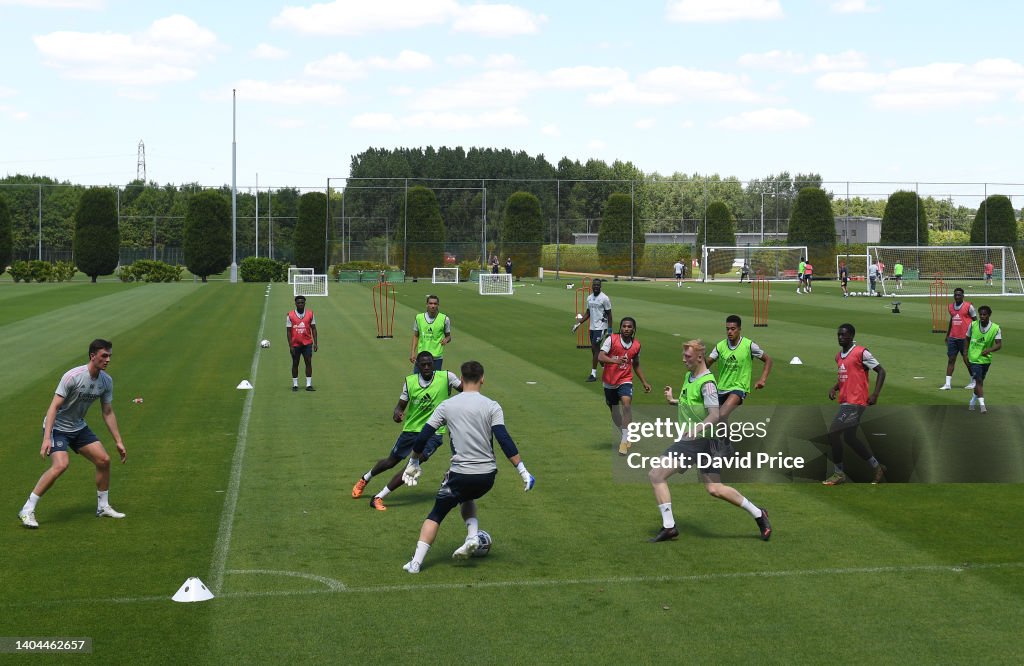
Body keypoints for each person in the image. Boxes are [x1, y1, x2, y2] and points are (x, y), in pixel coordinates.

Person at [400, 361, 535, 573]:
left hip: (460, 474)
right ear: (482, 379)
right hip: (487, 477)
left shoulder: (446, 406)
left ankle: (416, 563)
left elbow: (424, 436)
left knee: (436, 514)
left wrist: (414, 461)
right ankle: (472, 536)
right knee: (467, 496)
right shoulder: (492, 406)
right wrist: (523, 471)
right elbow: (504, 439)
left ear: (461, 380)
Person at [648, 340, 771, 543]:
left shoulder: (707, 383)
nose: (683, 359)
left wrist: (696, 429)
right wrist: (674, 400)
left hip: (701, 440)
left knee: (656, 474)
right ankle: (759, 513)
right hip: (700, 441)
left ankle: (669, 527)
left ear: (699, 357)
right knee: (714, 488)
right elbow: (694, 403)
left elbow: (714, 414)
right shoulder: (691, 376)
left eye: (687, 356)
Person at [18, 339, 127, 529]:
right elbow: (53, 407)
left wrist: (118, 441)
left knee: (104, 460)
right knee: (61, 465)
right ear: (92, 356)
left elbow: (107, 411)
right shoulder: (73, 376)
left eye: (109, 356)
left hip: (78, 427)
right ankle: (27, 509)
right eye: (104, 356)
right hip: (57, 428)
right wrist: (46, 438)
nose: (108, 359)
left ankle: (103, 507)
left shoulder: (106, 381)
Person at [352, 352, 463, 510]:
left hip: (434, 433)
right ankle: (365, 478)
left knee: (414, 464)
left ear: (434, 364)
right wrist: (397, 414)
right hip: (411, 430)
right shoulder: (410, 382)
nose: (426, 367)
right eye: (423, 364)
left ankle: (378, 497)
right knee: (390, 462)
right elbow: (400, 407)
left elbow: (466, 391)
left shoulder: (447, 377)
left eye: (429, 364)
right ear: (417, 365)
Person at [823, 324, 887, 485]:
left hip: (856, 402)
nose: (840, 337)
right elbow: (846, 376)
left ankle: (839, 473)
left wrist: (875, 394)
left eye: (843, 335)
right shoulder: (839, 356)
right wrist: (834, 387)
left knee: (833, 433)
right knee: (850, 438)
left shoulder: (861, 352)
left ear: (851, 336)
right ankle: (877, 467)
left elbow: (881, 371)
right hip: (846, 401)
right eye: (838, 335)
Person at [597, 317, 652, 456]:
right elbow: (600, 356)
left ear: (634, 329)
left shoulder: (636, 345)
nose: (626, 329)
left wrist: (644, 382)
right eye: (624, 326)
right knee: (615, 412)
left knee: (627, 405)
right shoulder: (612, 339)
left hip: (625, 379)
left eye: (629, 327)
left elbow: (636, 364)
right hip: (609, 381)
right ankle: (625, 434)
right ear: (620, 328)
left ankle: (623, 441)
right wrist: (614, 360)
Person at [707, 315, 773, 425]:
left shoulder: (749, 345)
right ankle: (726, 441)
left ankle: (725, 441)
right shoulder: (720, 346)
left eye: (733, 329)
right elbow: (707, 363)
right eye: (727, 329)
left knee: (722, 414)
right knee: (718, 419)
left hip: (739, 388)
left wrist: (762, 380)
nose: (729, 332)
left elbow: (768, 360)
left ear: (739, 329)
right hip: (722, 388)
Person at [572, 278, 612, 382]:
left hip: (602, 327)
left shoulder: (605, 298)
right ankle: (606, 369)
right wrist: (578, 323)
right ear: (592, 286)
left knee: (595, 348)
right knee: (594, 350)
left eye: (598, 285)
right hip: (592, 327)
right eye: (594, 285)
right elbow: (588, 312)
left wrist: (610, 330)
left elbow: (609, 314)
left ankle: (593, 374)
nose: (596, 287)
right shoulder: (589, 298)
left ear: (600, 286)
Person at [939, 287, 976, 390]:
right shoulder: (950, 307)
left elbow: (975, 321)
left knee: (966, 359)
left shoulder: (969, 306)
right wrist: (947, 335)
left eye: (959, 295)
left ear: (963, 296)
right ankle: (947, 384)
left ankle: (973, 381)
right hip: (953, 337)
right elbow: (952, 319)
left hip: (965, 338)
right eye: (955, 295)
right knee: (951, 359)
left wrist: (975, 335)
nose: (957, 296)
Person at [966, 305, 1001, 414]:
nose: (981, 316)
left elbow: (999, 344)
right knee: (979, 381)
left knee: (979, 383)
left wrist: (989, 350)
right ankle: (982, 406)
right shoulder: (972, 325)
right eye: (980, 314)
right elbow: (967, 338)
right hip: (974, 359)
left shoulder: (996, 328)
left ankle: (972, 400)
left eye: (984, 314)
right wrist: (965, 352)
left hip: (986, 360)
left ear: (989, 315)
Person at [409, 294, 451, 373]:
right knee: (417, 379)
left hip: (437, 358)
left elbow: (449, 336)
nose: (433, 306)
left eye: (435, 304)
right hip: (422, 357)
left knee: (434, 382)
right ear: (427, 304)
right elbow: (416, 335)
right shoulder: (419, 318)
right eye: (431, 303)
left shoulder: (445, 319)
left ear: (438, 305)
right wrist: (412, 352)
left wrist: (446, 339)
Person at [287, 295, 318, 391]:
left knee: (308, 362)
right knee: (295, 363)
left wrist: (315, 343)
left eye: (302, 302)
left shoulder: (310, 314)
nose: (300, 304)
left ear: (305, 303)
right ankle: (295, 385)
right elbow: (288, 331)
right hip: (295, 344)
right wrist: (290, 345)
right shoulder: (290, 315)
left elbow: (313, 328)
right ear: (295, 303)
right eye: (298, 302)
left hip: (307, 343)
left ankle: (308, 385)